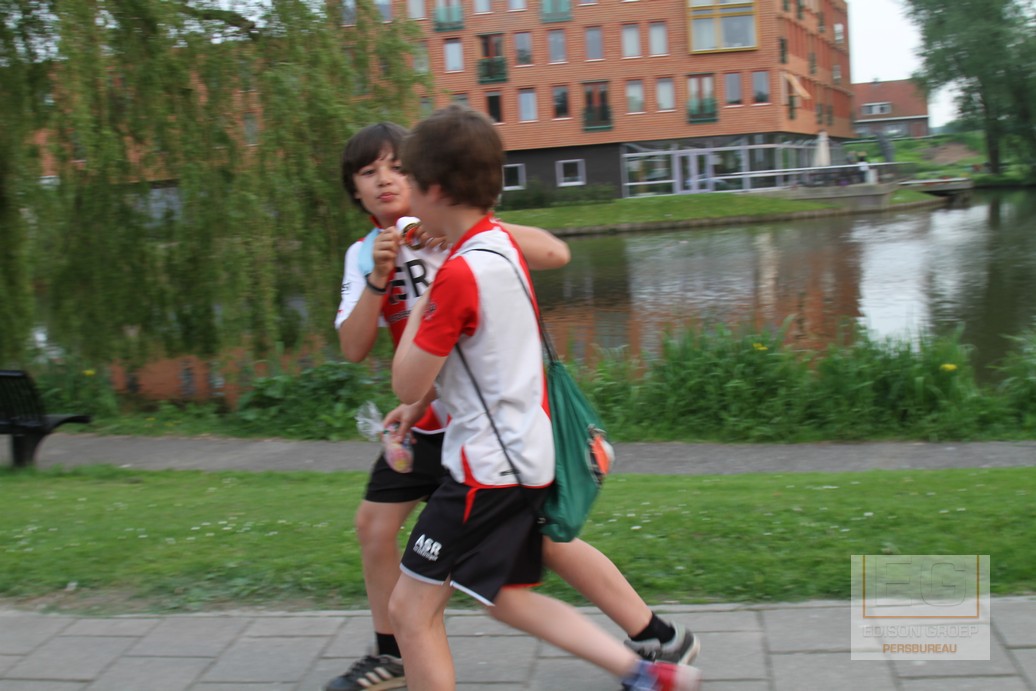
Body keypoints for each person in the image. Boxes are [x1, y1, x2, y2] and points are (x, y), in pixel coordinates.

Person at [325, 121, 699, 691]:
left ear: (435, 190)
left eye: (406, 173)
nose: (392, 184)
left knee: (414, 608)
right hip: (506, 446)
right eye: (370, 172)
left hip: (483, 463)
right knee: (498, 594)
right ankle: (646, 670)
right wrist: (387, 284)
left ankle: (650, 653)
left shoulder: (461, 267)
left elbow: (405, 378)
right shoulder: (488, 248)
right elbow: (455, 364)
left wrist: (426, 288)